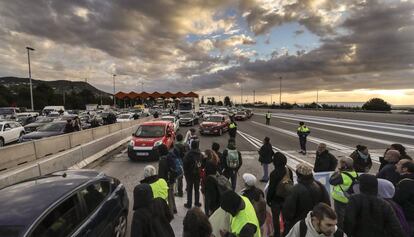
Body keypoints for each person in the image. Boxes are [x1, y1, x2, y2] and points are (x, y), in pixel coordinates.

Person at [283, 163, 330, 234]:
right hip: (316, 223)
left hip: (299, 225)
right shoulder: (319, 185)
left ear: (298, 175)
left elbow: (288, 213)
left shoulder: (295, 190)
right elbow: (327, 205)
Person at [267, 152, 293, 237]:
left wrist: (268, 199)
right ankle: (286, 233)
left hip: (276, 200)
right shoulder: (288, 171)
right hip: (287, 199)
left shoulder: (274, 173)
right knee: (286, 218)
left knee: (276, 218)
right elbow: (291, 183)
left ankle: (277, 234)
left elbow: (271, 188)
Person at [329, 157, 358, 229]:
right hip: (349, 198)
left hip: (340, 199)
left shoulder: (342, 175)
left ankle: (341, 232)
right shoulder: (355, 173)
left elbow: (331, 181)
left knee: (340, 218)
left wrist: (337, 171)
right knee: (348, 217)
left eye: (340, 163)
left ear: (344, 165)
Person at [394, 161, 414, 236]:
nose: (396, 165)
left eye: (398, 164)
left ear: (405, 169)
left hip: (408, 216)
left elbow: (398, 199)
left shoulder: (405, 182)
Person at [158, 144, 178, 214]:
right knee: (171, 194)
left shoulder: (162, 160)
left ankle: (170, 212)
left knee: (168, 196)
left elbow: (161, 174)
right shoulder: (170, 156)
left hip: (167, 180)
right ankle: (174, 208)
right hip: (172, 179)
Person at [183, 140, 203, 208]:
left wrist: (186, 172)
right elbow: (202, 164)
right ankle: (197, 202)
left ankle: (189, 203)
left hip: (189, 174)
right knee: (197, 189)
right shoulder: (200, 154)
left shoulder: (188, 154)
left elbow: (185, 164)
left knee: (189, 189)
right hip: (197, 174)